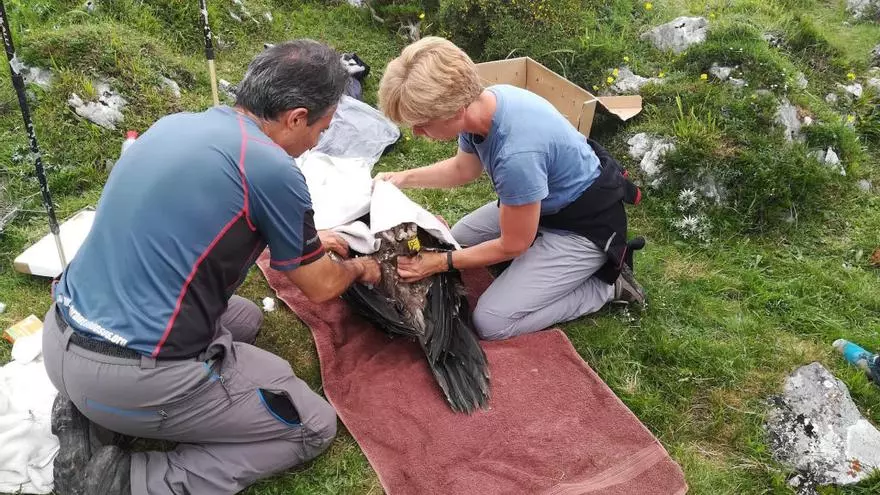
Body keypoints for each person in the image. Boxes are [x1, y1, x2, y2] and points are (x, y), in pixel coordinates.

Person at [42, 40, 380, 495]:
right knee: (311, 425)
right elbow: (320, 285)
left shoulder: (175, 125)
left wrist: (306, 239)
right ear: (297, 117)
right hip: (131, 374)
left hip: (61, 337)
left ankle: (88, 416)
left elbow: (193, 221)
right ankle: (120, 480)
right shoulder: (274, 169)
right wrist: (361, 269)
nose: (318, 140)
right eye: (322, 127)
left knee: (245, 318)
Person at [375, 37, 645, 342]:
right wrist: (402, 178)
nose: (416, 132)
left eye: (422, 123)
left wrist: (439, 263)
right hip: (544, 207)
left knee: (492, 321)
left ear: (456, 110)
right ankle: (538, 256)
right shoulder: (484, 106)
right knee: (456, 240)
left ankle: (608, 289)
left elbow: (514, 244)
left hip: (584, 228)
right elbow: (464, 169)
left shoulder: (516, 155)